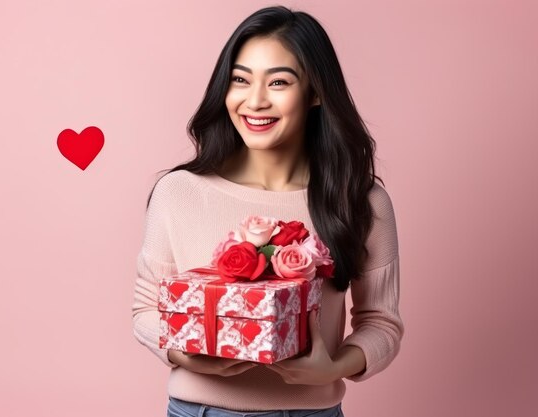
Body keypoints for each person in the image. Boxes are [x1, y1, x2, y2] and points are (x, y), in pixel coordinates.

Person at [132, 5, 404, 416]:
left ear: (315, 92)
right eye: (240, 79)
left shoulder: (360, 200)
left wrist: (331, 368)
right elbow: (146, 309)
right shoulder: (179, 192)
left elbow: (381, 323)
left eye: (278, 82)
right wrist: (182, 354)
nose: (255, 101)